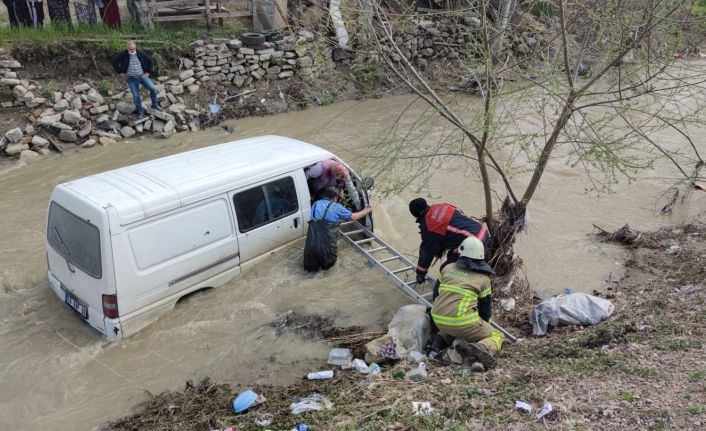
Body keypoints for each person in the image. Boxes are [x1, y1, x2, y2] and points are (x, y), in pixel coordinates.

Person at [429, 236, 504, 370]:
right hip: (462, 322)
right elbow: (485, 310)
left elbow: (435, 294)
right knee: (497, 335)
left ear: (461, 252)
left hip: (438, 318)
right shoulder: (484, 279)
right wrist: (481, 326)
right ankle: (483, 347)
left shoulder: (447, 268)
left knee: (451, 327)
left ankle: (436, 346)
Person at [409, 198, 490, 290]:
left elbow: (427, 252)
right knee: (451, 255)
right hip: (483, 232)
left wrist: (421, 272)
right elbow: (458, 218)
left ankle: (447, 292)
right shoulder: (443, 206)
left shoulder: (429, 226)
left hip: (474, 244)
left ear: (416, 215)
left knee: (446, 269)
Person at [303, 187, 372, 272]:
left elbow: (323, 217)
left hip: (309, 249)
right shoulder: (336, 207)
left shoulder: (315, 204)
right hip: (326, 251)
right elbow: (353, 217)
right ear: (335, 198)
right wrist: (366, 210)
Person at [111, 40, 162, 119]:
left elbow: (150, 60)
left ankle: (154, 105)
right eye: (131, 49)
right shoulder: (123, 54)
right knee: (136, 96)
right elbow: (114, 62)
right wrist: (120, 72)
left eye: (134, 49)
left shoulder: (140, 52)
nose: (133, 51)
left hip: (142, 76)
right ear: (127, 48)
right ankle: (140, 112)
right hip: (131, 79)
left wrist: (148, 72)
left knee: (153, 88)